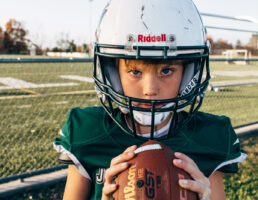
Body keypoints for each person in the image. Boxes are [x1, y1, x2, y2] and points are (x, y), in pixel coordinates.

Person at [53, 0, 247, 199]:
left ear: (189, 73)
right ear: (112, 73)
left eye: (166, 70)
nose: (150, 90)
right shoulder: (87, 132)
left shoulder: (209, 136)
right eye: (135, 71)